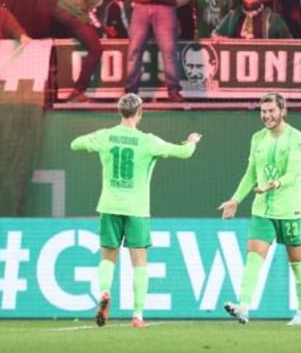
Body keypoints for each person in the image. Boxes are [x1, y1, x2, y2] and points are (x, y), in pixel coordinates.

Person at [70, 93, 202, 328]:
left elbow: (75, 143)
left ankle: (104, 292)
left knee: (108, 257)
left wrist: (95, 141)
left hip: (109, 205)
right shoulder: (147, 141)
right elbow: (184, 153)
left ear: (120, 112)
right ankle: (138, 316)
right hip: (137, 209)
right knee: (139, 262)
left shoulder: (105, 136)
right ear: (140, 113)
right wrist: (192, 140)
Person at [218, 93, 301, 327]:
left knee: (298, 264)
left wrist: (275, 183)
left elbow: (293, 173)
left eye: (271, 111)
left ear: (282, 111)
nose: (267, 115)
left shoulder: (297, 138)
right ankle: (244, 306)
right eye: (263, 111)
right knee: (253, 258)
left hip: (291, 210)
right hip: (262, 210)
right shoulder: (257, 138)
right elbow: (250, 173)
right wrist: (235, 200)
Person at [53, 0, 117, 102]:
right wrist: (101, 27)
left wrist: (103, 28)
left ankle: (77, 90)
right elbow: (91, 9)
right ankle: (78, 91)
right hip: (70, 10)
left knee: (91, 41)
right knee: (96, 49)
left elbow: (100, 9)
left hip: (67, 8)